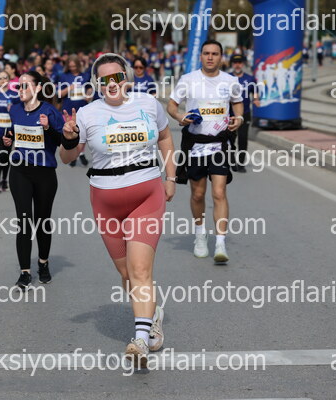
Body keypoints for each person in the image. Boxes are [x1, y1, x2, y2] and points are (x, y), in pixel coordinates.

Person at [59, 53, 176, 367]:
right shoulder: (87, 114)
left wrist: (171, 176)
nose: (112, 84)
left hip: (146, 195)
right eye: (104, 80)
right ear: (96, 83)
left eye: (117, 77)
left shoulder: (148, 104)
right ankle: (153, 313)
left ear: (127, 78)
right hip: (105, 201)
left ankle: (140, 339)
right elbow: (67, 158)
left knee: (140, 271)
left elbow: (165, 138)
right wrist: (68, 138)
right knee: (126, 274)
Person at [167, 39, 243, 264]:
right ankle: (200, 235)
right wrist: (180, 116)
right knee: (198, 194)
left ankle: (220, 242)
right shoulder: (188, 79)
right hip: (195, 145)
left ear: (221, 57)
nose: (210, 57)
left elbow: (238, 102)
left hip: (219, 144)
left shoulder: (230, 81)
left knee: (219, 192)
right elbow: (171, 105)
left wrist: (239, 118)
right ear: (200, 56)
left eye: (215, 54)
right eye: (206, 53)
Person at [2, 71, 64, 289]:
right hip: (20, 170)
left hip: (44, 172)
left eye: (25, 86)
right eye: (18, 86)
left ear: (38, 88)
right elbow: (13, 134)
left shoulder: (50, 111)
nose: (20, 90)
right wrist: (8, 140)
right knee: (24, 220)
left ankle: (43, 263)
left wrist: (48, 128)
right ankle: (25, 272)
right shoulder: (15, 109)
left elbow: (63, 140)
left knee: (42, 220)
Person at [58, 55, 90, 167]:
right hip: (68, 109)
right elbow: (59, 94)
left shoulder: (85, 76)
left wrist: (88, 95)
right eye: (70, 66)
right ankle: (73, 154)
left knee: (82, 133)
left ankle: (80, 153)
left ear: (78, 65)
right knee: (71, 133)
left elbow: (89, 89)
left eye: (74, 66)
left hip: (82, 108)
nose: (72, 68)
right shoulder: (64, 76)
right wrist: (69, 88)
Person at [229, 54, 259, 173]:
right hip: (230, 114)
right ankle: (231, 161)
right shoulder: (227, 78)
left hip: (245, 113)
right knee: (230, 139)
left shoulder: (250, 79)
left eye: (240, 63)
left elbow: (255, 91)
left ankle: (241, 163)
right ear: (232, 64)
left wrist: (256, 99)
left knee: (243, 138)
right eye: (235, 63)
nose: (237, 65)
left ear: (243, 64)